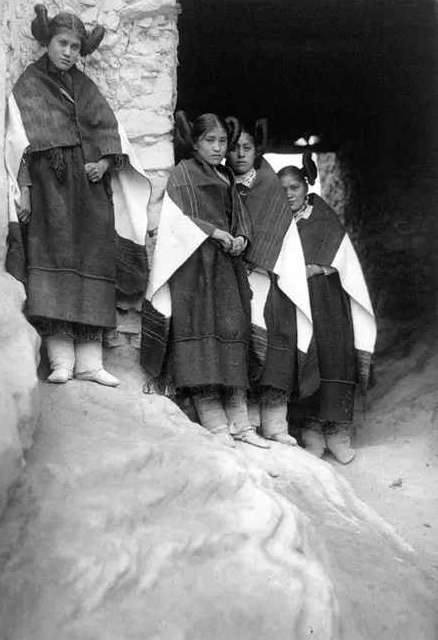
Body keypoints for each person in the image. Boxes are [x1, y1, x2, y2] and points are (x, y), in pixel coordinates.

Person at [5, 4, 150, 386]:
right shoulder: (30, 83)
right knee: (54, 261)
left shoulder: (86, 87)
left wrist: (103, 165)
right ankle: (60, 360)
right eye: (62, 43)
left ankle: (89, 362)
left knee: (92, 264)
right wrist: (24, 188)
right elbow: (18, 142)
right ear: (48, 42)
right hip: (50, 190)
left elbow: (108, 132)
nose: (68, 52)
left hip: (88, 195)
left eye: (75, 47)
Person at [141, 111, 269, 449]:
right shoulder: (183, 174)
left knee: (231, 330)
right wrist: (211, 231)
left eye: (222, 142)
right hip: (194, 268)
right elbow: (174, 220)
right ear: (195, 143)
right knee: (200, 333)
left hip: (226, 267)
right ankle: (214, 419)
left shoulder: (227, 176)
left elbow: (240, 216)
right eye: (210, 141)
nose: (217, 148)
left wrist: (241, 236)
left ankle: (241, 423)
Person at [279, 156, 376, 464]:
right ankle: (311, 434)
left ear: (306, 186)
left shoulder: (322, 216)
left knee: (334, 358)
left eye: (295, 187)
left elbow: (343, 256)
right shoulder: (276, 222)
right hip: (295, 304)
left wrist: (317, 268)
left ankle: (337, 435)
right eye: (282, 190)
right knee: (306, 360)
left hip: (327, 303)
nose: (290, 194)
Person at [227, 120, 315, 445]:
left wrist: (259, 259)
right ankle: (246, 421)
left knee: (277, 343)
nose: (240, 154)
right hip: (233, 279)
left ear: (257, 150)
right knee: (242, 342)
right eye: (234, 148)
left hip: (271, 277)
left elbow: (282, 234)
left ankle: (276, 424)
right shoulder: (221, 184)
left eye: (247, 148)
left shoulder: (269, 186)